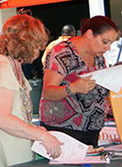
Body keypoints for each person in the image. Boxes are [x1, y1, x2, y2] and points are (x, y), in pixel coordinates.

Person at [0, 11, 63, 167]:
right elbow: (2, 118)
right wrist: (41, 135)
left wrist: (32, 130)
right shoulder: (0, 67)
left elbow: (16, 112)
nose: (39, 50)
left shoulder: (11, 65)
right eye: (36, 45)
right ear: (24, 43)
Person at [40, 15, 120, 146]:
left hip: (91, 131)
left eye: (111, 43)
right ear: (89, 34)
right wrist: (72, 88)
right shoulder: (63, 53)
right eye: (105, 42)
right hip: (64, 132)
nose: (108, 48)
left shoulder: (98, 56)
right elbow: (47, 92)